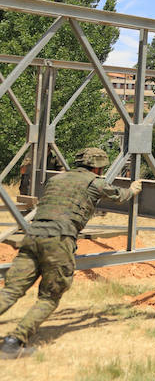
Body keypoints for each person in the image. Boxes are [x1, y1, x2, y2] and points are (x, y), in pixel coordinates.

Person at [0, 147, 142, 359]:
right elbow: (120, 196)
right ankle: (14, 342)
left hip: (32, 235)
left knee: (11, 289)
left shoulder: (56, 180)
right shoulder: (95, 182)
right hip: (59, 239)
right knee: (50, 296)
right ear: (97, 166)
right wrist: (133, 189)